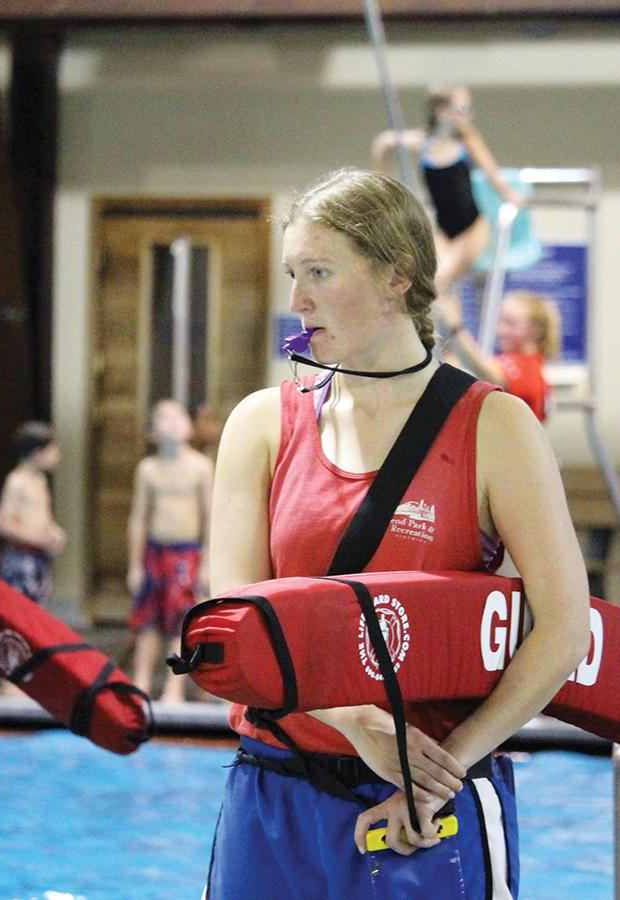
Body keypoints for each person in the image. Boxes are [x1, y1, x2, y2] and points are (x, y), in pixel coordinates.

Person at [205, 168, 590, 898]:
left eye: (318, 272)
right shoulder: (261, 423)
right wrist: (351, 719)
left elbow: (565, 629)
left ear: (397, 277)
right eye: (294, 273)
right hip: (274, 791)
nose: (296, 299)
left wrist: (440, 773)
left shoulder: (496, 427)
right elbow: (231, 623)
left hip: (429, 811)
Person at [372, 84, 527, 302]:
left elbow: (492, 173)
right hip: (444, 232)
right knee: (419, 281)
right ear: (443, 112)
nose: (470, 115)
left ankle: (459, 335)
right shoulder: (422, 141)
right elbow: (384, 143)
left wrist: (511, 195)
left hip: (472, 229)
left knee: (437, 282)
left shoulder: (466, 138)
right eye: (463, 109)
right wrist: (382, 189)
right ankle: (453, 334)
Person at [127, 399, 213, 703]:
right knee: (148, 622)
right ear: (152, 433)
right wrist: (135, 566)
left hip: (187, 554)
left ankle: (174, 687)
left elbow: (210, 517)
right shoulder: (148, 469)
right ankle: (141, 681)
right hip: (155, 553)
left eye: (178, 416)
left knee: (182, 622)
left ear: (189, 428)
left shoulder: (201, 467)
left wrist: (207, 564)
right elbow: (138, 518)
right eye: (163, 417)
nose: (172, 422)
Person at [0, 421, 66, 606]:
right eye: (53, 451)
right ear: (37, 452)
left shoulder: (40, 480)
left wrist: (53, 532)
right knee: (23, 612)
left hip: (39, 556)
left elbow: (40, 517)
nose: (57, 456)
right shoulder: (17, 481)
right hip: (21, 557)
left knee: (38, 610)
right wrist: (40, 538)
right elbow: (5, 524)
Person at [437, 288, 561, 422]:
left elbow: (480, 369)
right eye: (501, 321)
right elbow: (458, 376)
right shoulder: (518, 363)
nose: (500, 330)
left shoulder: (528, 370)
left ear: (536, 330)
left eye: (510, 323)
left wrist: (454, 325)